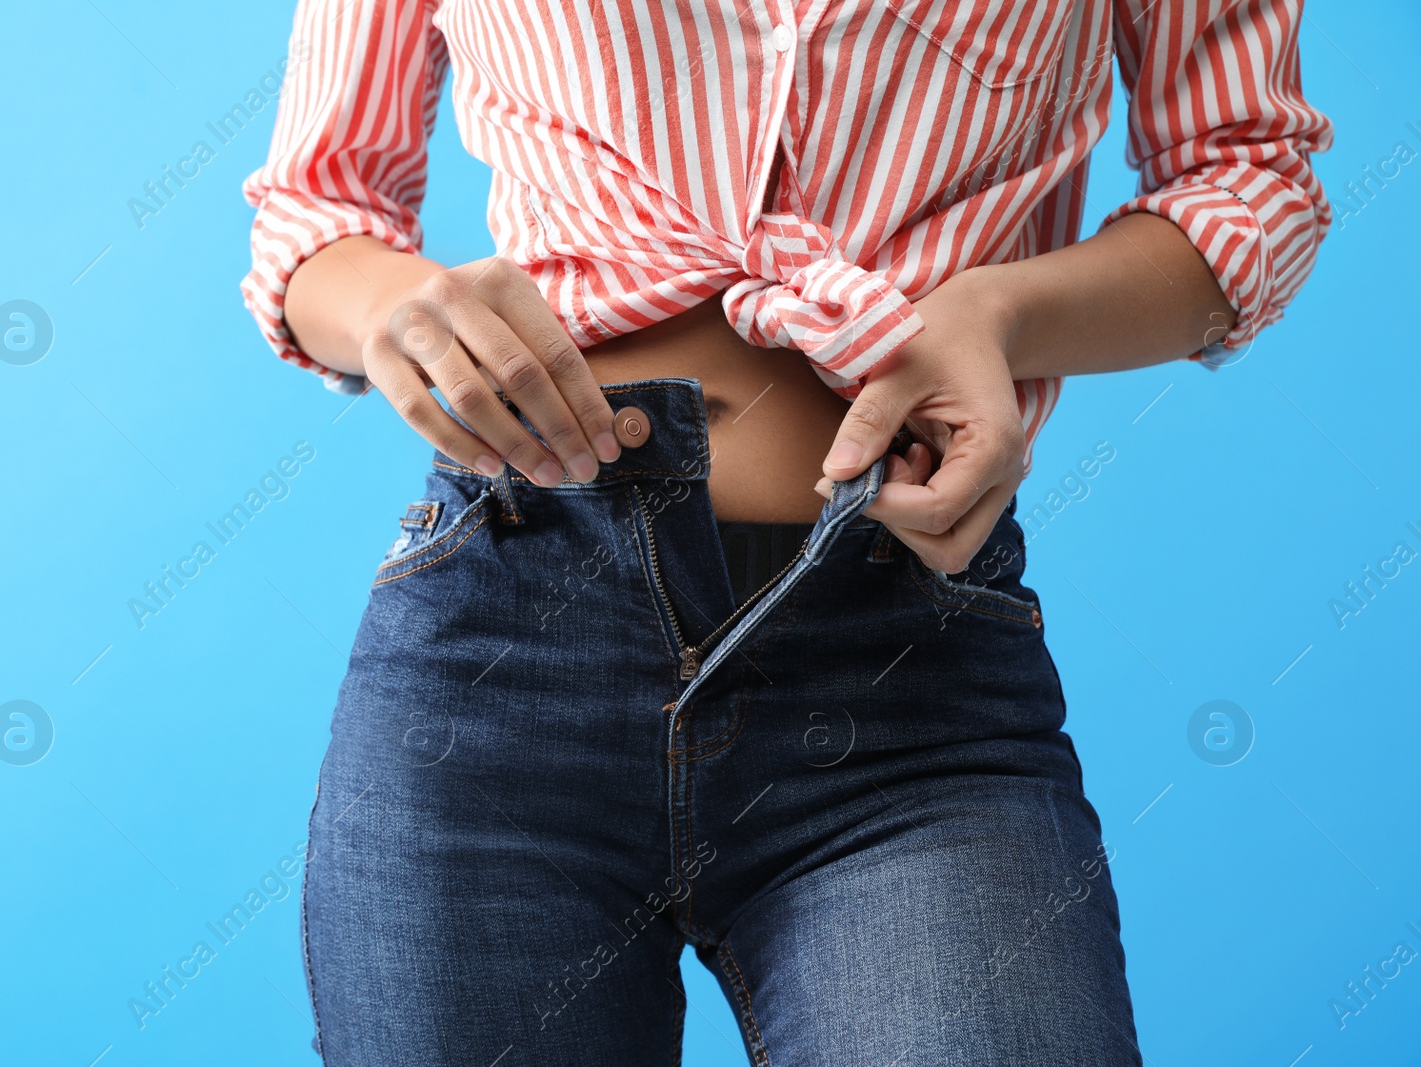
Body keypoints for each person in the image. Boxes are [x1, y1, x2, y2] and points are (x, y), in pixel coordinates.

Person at [240, 2, 1332, 1063]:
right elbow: (315, 211)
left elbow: (1247, 176)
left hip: (903, 670)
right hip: (506, 641)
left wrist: (999, 314)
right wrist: (397, 306)